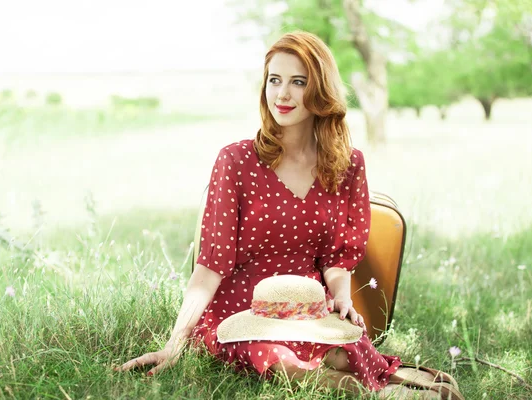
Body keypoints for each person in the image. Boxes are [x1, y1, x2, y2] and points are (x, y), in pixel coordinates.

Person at [116, 31, 463, 399]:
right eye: (274, 80)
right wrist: (175, 342)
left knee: (344, 357)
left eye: (298, 82)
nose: (282, 94)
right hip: (242, 313)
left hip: (307, 308)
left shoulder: (347, 165)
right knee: (284, 363)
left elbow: (336, 259)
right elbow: (210, 265)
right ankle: (373, 395)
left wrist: (342, 298)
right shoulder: (236, 161)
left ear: (321, 91)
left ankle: (389, 382)